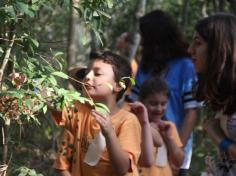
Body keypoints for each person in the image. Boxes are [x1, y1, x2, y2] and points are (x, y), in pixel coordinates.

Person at [127, 9, 200, 175]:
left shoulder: (185, 66)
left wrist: (176, 148)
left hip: (174, 149)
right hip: (144, 150)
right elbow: (132, 104)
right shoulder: (145, 66)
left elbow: (192, 112)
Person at [53, 50, 141, 176]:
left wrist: (110, 133)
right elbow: (51, 100)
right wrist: (28, 84)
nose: (87, 76)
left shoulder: (128, 120)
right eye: (86, 72)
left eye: (97, 73)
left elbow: (122, 169)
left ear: (118, 85)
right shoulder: (80, 110)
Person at [188, 13, 236, 175]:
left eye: (198, 43)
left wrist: (220, 139)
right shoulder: (222, 92)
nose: (190, 50)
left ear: (219, 49)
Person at [130, 77, 184, 176]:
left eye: (163, 104)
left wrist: (169, 139)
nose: (159, 109)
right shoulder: (133, 125)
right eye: (153, 104)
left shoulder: (168, 127)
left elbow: (179, 162)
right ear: (141, 102)